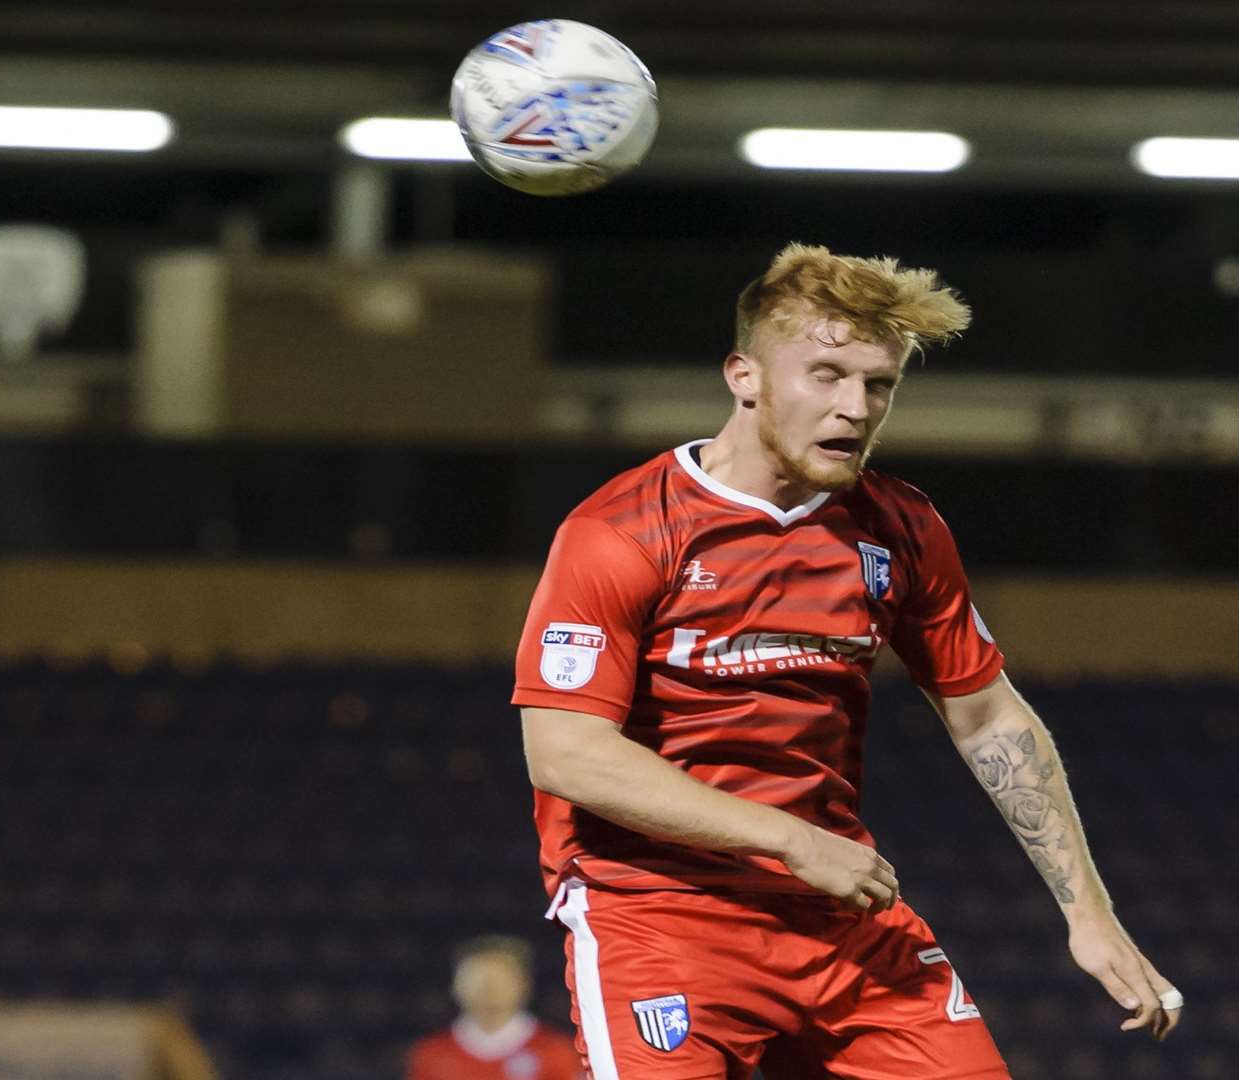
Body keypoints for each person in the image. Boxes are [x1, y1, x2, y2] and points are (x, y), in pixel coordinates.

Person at [512, 243, 1181, 1078]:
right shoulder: (621, 531)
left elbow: (987, 714)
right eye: (825, 375)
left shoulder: (902, 529)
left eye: (878, 385)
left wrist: (1089, 913)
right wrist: (791, 840)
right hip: (658, 913)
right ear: (744, 376)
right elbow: (566, 750)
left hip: (838, 911)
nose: (855, 408)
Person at [407, 936, 583, 1080]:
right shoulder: (431, 1055)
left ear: (523, 984)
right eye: (478, 980)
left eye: (500, 979)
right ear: (455, 986)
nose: (490, 989)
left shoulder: (558, 1052)